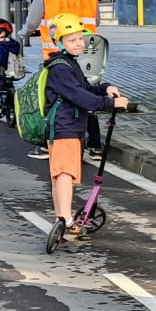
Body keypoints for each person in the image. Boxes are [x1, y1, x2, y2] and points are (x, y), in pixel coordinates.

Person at [42, 13, 128, 237]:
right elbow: (78, 96)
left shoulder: (69, 64)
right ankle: (66, 219)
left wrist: (104, 87)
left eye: (81, 39)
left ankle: (63, 218)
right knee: (64, 173)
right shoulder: (60, 68)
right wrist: (109, 103)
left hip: (68, 126)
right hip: (64, 127)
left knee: (62, 174)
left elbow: (86, 89)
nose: (79, 43)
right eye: (72, 40)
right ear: (60, 42)